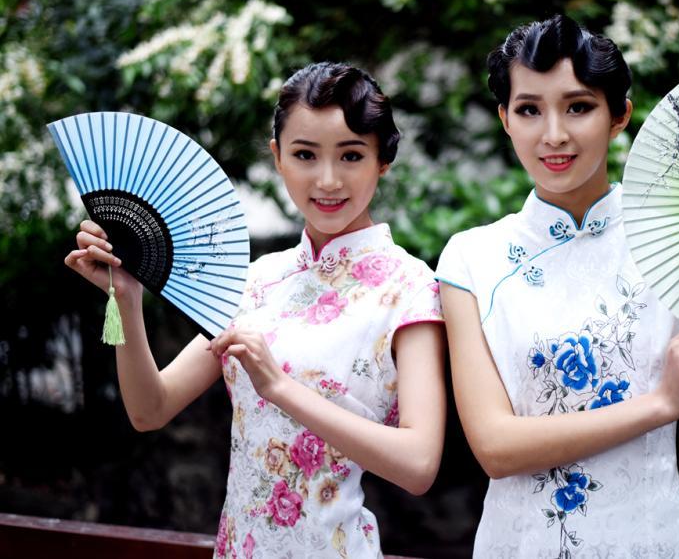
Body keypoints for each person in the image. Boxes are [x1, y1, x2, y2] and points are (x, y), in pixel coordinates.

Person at [436, 14, 679, 558]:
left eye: (578, 107)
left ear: (619, 116)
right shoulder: (472, 259)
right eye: (529, 109)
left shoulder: (678, 237)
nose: (554, 134)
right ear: (505, 120)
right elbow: (495, 448)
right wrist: (661, 403)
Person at [64, 61, 447, 558]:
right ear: (278, 158)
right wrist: (128, 300)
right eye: (305, 154)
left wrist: (280, 387)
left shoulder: (409, 285)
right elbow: (149, 409)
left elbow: (419, 465)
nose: (328, 179)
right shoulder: (258, 280)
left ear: (382, 160)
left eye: (351, 155)